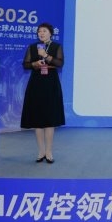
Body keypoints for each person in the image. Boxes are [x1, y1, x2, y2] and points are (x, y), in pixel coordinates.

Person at [21, 22, 65, 163]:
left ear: (50, 33)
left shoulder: (57, 46)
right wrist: (35, 64)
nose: (41, 33)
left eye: (44, 31)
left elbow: (60, 63)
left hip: (51, 82)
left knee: (49, 118)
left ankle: (49, 151)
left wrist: (45, 55)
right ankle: (41, 151)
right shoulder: (32, 47)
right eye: (39, 31)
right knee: (38, 118)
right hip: (36, 82)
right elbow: (25, 64)